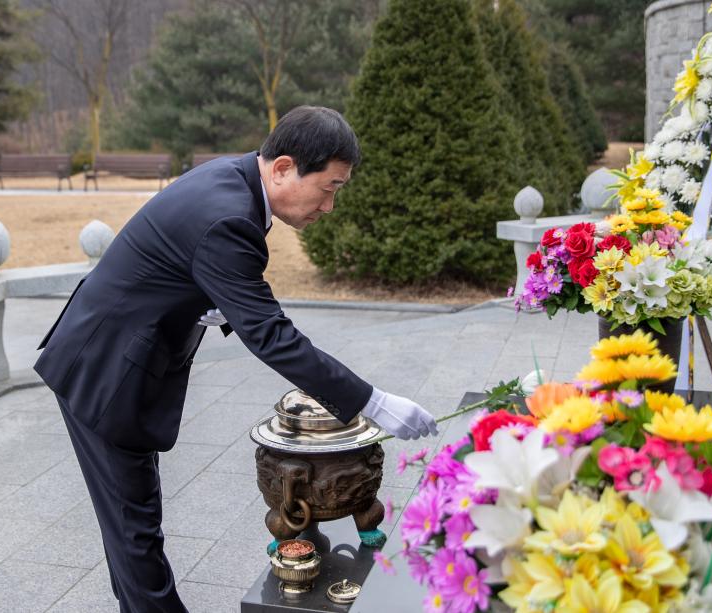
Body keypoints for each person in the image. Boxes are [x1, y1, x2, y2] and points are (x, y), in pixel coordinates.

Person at [33, 106, 437, 612]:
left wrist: (205, 297)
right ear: (284, 168)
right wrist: (373, 403)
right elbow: (272, 337)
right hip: (103, 370)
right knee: (134, 525)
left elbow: (186, 259)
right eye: (328, 188)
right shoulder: (229, 215)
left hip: (110, 351)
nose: (330, 206)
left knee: (129, 521)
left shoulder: (236, 180)